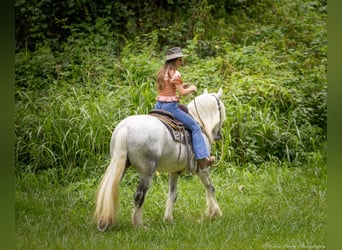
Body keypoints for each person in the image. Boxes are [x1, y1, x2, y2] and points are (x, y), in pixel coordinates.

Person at [155, 47, 215, 170]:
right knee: (195, 127)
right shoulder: (175, 73)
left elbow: (170, 87)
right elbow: (182, 93)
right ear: (175, 60)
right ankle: (202, 158)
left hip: (158, 106)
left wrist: (183, 85)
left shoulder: (161, 72)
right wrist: (192, 88)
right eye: (180, 60)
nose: (182, 62)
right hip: (170, 107)